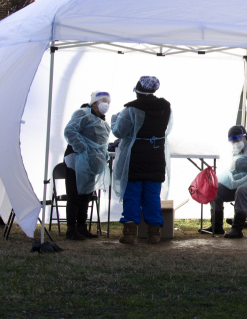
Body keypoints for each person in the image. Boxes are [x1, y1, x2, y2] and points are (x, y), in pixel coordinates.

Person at [112, 76, 172, 245]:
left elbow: (119, 132)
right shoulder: (165, 107)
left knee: (132, 193)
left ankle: (129, 234)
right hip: (156, 155)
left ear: (137, 90)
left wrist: (114, 120)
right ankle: (154, 233)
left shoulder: (131, 109)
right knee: (152, 195)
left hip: (135, 156)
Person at [62, 91, 112, 240]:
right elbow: (70, 131)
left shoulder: (102, 121)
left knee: (86, 195)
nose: (106, 104)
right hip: (77, 159)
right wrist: (82, 148)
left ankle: (82, 227)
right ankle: (71, 229)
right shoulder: (82, 114)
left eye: (108, 102)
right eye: (102, 101)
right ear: (94, 102)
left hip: (91, 161)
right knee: (75, 194)